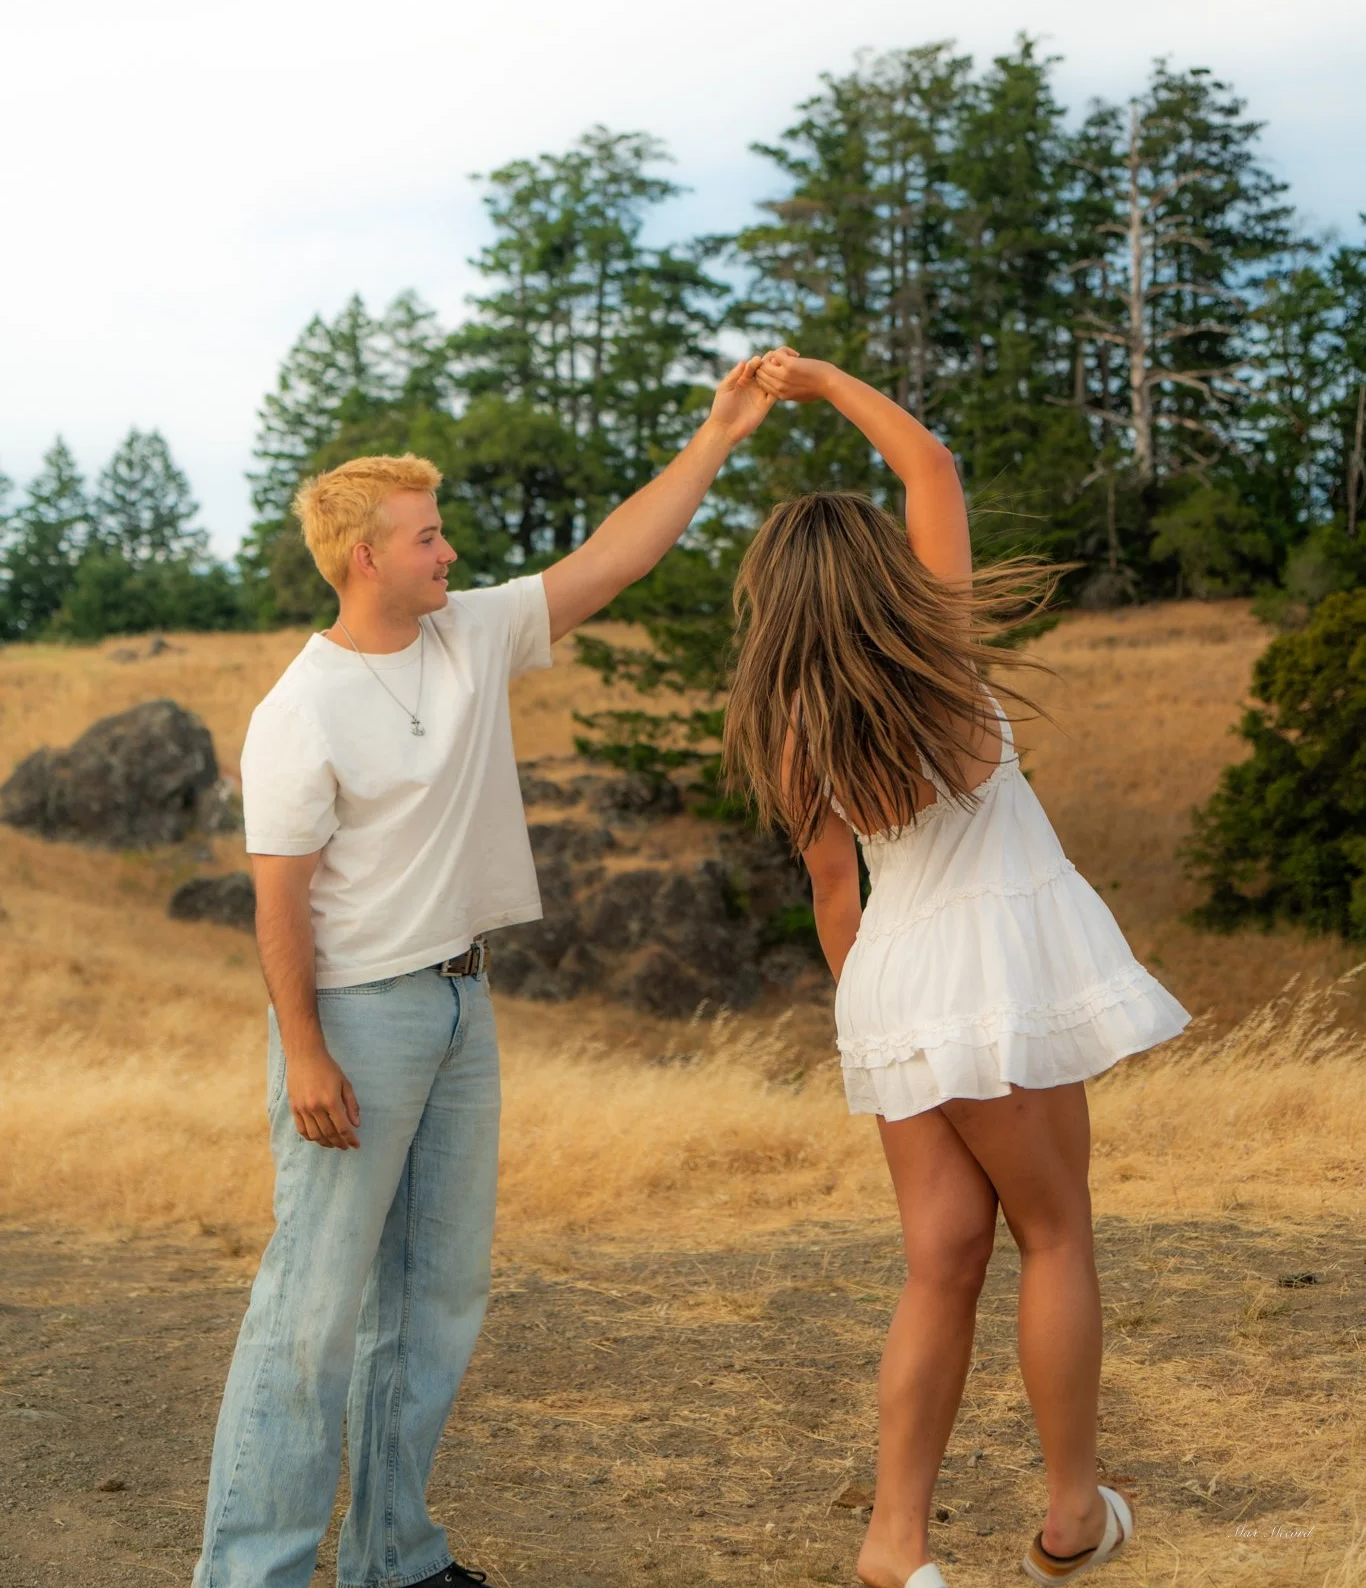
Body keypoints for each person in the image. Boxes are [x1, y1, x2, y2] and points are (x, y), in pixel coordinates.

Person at [190, 356, 774, 1588]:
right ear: (366, 557)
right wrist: (303, 1047)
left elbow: (615, 556)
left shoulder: (471, 634)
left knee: (436, 1303)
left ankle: (394, 1557)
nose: (448, 551)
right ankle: (250, 1571)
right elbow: (279, 900)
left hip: (463, 1003)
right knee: (309, 1316)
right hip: (356, 1020)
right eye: (427, 535)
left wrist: (718, 432)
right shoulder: (301, 707)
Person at [723, 348, 1192, 1588]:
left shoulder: (793, 724)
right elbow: (929, 460)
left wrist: (870, 1020)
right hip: (987, 964)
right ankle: (1069, 1516)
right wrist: (823, 382)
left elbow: (836, 892)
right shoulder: (939, 662)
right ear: (882, 574)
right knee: (1054, 1232)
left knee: (940, 1257)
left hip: (889, 978)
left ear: (774, 603)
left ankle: (895, 1542)